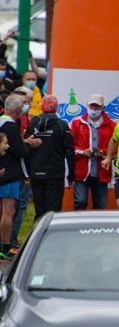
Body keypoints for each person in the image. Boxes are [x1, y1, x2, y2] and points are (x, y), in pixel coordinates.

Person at [25, 95, 74, 218]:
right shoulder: (62, 125)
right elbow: (70, 153)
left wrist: (28, 174)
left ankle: (38, 235)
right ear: (56, 108)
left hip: (36, 173)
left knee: (39, 211)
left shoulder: (33, 123)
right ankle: (49, 236)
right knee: (53, 213)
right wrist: (71, 176)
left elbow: (26, 150)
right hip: (55, 174)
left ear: (41, 107)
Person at [0, 95, 35, 259]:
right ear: (18, 109)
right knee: (8, 211)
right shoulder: (11, 127)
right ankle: (6, 247)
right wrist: (28, 144)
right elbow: (20, 151)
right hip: (9, 174)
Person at [69, 94, 116, 211]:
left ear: (103, 108)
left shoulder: (112, 125)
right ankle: (78, 227)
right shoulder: (77, 123)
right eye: (92, 106)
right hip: (81, 171)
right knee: (80, 202)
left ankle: (98, 228)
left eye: (97, 107)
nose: (94, 109)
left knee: (100, 205)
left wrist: (103, 153)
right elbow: (69, 147)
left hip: (102, 171)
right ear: (87, 106)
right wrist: (82, 152)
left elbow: (116, 148)